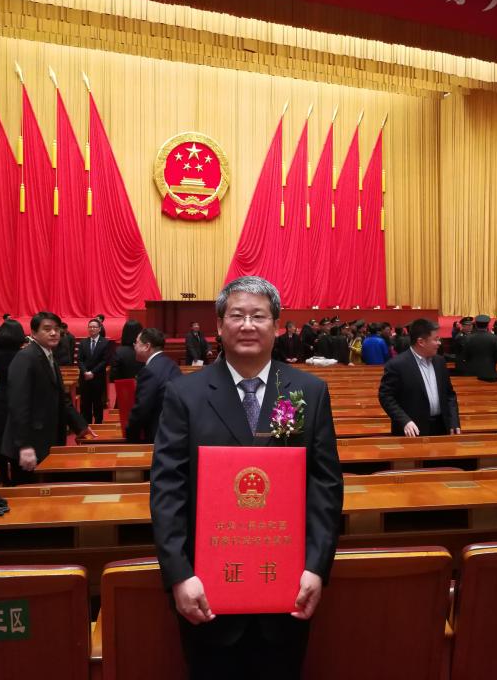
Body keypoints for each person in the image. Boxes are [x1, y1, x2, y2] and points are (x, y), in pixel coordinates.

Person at [150, 276, 343, 680]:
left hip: (288, 587)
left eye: (259, 316)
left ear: (277, 325)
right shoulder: (185, 394)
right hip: (206, 592)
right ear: (219, 325)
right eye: (237, 315)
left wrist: (316, 567)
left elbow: (325, 486)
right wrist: (179, 575)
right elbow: (168, 489)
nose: (248, 325)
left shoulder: (308, 391)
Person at [1, 312, 96, 484]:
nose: (53, 333)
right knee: (29, 493)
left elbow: (61, 398)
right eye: (47, 329)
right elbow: (18, 404)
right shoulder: (25, 357)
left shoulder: (48, 356)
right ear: (33, 333)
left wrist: (80, 426)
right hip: (30, 444)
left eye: (56, 329)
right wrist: (24, 446)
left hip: (46, 440)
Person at [378, 318, 460, 436]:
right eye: (436, 339)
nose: (439, 343)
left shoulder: (440, 361)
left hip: (442, 427)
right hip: (412, 430)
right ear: (421, 342)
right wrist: (404, 421)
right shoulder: (397, 365)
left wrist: (453, 420)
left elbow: (449, 394)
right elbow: (386, 397)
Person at [126, 328, 182, 443]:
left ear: (147, 346)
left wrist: (130, 435)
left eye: (136, 342)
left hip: (157, 436)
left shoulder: (149, 371)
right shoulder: (171, 363)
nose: (134, 346)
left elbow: (142, 408)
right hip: (175, 431)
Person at [0, 319, 27, 485]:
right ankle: (18, 476)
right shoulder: (21, 355)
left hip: (1, 396)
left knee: (1, 436)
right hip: (19, 396)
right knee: (17, 436)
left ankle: (4, 476)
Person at [78, 318, 110, 424]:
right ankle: (86, 425)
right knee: (85, 404)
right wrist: (85, 372)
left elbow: (105, 361)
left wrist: (93, 372)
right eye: (90, 327)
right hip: (85, 378)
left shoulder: (105, 342)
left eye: (94, 327)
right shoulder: (83, 342)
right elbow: (79, 360)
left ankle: (98, 424)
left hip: (98, 378)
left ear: (99, 329)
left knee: (98, 403)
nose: (92, 329)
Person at [463, 314, 497, 381]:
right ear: (487, 325)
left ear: (476, 325)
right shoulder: (494, 338)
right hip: (489, 371)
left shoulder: (468, 338)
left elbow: (465, 355)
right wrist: (491, 362)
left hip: (472, 372)